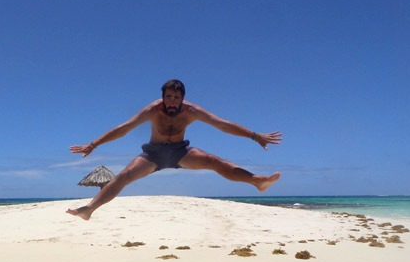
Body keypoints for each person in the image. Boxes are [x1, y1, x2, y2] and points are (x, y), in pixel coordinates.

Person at [67, 79, 282, 220]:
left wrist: (255, 136)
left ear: (182, 99)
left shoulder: (191, 111)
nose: (172, 102)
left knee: (214, 161)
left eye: (176, 98)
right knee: (123, 176)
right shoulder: (153, 110)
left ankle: (257, 181)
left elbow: (223, 125)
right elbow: (124, 128)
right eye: (168, 97)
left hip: (180, 152)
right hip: (154, 154)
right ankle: (89, 209)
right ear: (163, 97)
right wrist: (94, 144)